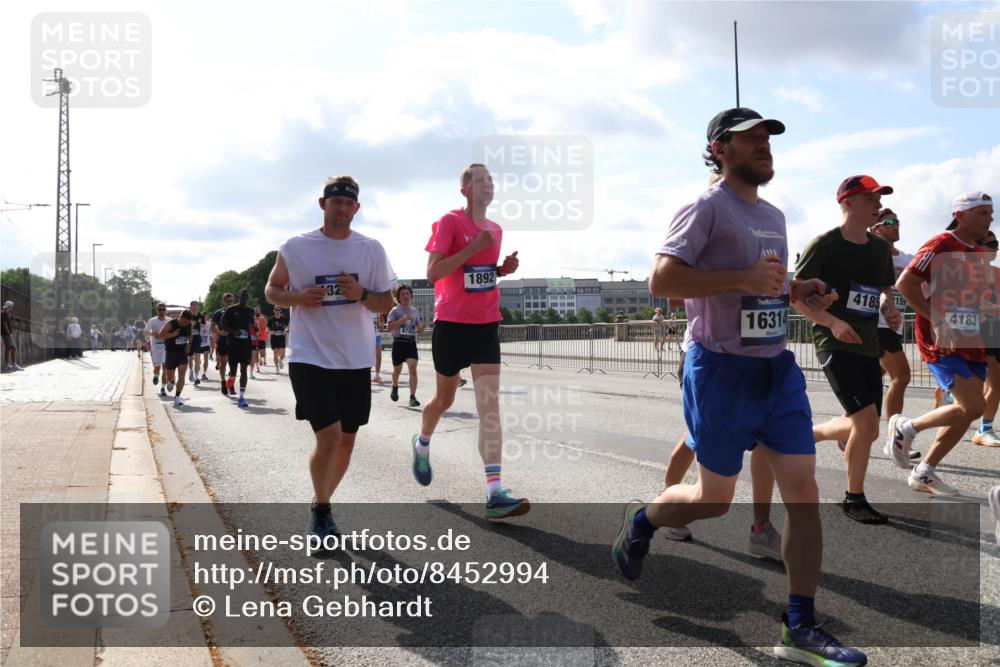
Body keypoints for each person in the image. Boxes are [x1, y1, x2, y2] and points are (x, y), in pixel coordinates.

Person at [615, 107, 866, 667]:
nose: (763, 146)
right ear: (719, 149)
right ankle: (644, 519)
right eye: (750, 138)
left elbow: (767, 285)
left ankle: (799, 623)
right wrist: (741, 279)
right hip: (721, 370)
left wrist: (802, 291)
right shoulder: (704, 207)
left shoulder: (773, 214)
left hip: (776, 370)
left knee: (804, 493)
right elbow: (661, 280)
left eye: (767, 138)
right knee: (711, 502)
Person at [264, 175, 396, 540]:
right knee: (330, 437)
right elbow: (272, 290)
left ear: (357, 207)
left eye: (348, 202)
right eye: (335, 201)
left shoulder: (371, 249)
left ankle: (320, 502)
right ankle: (322, 513)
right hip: (310, 357)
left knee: (347, 440)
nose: (342, 207)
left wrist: (362, 293)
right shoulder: (295, 247)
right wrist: (297, 298)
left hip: (354, 359)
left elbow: (386, 302)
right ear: (322, 204)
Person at [414, 163, 526, 520]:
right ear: (464, 190)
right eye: (480, 180)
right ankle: (422, 443)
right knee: (443, 400)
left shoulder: (495, 229)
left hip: (485, 324)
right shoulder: (450, 222)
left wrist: (499, 270)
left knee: (489, 409)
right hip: (450, 324)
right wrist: (474, 247)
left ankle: (494, 492)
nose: (488, 184)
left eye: (491, 180)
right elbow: (434, 273)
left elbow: (478, 274)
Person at [794, 175, 902, 524]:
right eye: (870, 198)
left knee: (867, 429)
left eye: (878, 199)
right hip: (834, 343)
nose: (877, 205)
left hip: (868, 343)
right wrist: (832, 323)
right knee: (866, 421)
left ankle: (806, 436)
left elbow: (884, 287)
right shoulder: (824, 245)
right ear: (847, 203)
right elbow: (795, 298)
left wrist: (889, 306)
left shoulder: (879, 248)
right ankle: (854, 499)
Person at [889, 191, 994, 495]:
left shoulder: (976, 251)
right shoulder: (940, 244)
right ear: (961, 215)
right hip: (942, 341)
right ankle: (906, 428)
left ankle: (925, 472)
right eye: (982, 213)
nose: (989, 218)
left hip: (971, 338)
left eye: (990, 213)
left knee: (968, 410)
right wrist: (936, 318)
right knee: (974, 405)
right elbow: (905, 284)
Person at [973, 231, 1000, 447]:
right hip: (979, 331)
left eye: (997, 243)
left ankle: (950, 395)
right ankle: (985, 429)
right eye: (992, 243)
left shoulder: (997, 273)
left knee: (991, 383)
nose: (996, 247)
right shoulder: (967, 273)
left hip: (995, 329)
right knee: (995, 383)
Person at [387, 284, 425, 406]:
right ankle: (394, 386)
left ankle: (412, 397)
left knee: (413, 368)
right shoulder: (395, 311)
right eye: (402, 294)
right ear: (399, 297)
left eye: (407, 293)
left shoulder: (414, 311)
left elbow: (418, 326)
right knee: (397, 370)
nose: (405, 296)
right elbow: (389, 327)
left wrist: (420, 328)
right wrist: (402, 320)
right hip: (398, 343)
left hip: (410, 343)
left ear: (411, 296)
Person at [223, 290, 256, 407]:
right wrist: (233, 331)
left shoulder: (250, 311)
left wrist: (254, 328)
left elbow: (252, 325)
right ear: (239, 297)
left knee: (243, 370)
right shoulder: (230, 309)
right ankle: (231, 379)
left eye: (246, 297)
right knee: (233, 371)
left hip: (245, 344)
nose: (244, 299)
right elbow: (223, 324)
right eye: (242, 296)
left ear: (248, 299)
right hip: (232, 344)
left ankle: (241, 397)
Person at [155, 309, 193, 407]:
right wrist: (172, 335)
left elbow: (190, 335)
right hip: (171, 352)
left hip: (182, 353)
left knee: (182, 373)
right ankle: (171, 381)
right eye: (184, 321)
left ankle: (177, 397)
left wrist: (189, 344)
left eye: (188, 321)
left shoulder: (189, 324)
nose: (186, 323)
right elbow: (160, 334)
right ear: (180, 317)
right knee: (170, 377)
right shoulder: (171, 324)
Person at [212, 293, 235, 394]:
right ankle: (223, 382)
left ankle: (231, 385)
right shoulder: (218, 312)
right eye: (227, 301)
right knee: (224, 363)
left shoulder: (236, 312)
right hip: (222, 341)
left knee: (233, 364)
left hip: (234, 340)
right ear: (223, 301)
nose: (229, 303)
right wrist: (219, 332)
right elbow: (212, 326)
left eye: (231, 301)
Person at [145, 304, 169, 394]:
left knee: (165, 368)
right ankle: (155, 375)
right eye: (160, 309)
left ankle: (163, 388)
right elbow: (145, 332)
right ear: (157, 310)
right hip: (155, 348)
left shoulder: (169, 321)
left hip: (166, 348)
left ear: (165, 310)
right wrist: (153, 333)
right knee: (157, 368)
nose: (162, 311)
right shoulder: (152, 321)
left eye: (163, 309)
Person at [188, 301, 206, 385]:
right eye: (193, 306)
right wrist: (190, 324)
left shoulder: (200, 315)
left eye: (196, 306)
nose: (195, 307)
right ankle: (191, 371)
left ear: (198, 307)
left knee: (198, 357)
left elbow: (203, 324)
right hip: (189, 337)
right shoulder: (187, 314)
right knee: (190, 357)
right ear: (190, 306)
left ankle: (196, 377)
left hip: (197, 337)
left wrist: (198, 323)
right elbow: (183, 323)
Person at [2, 301, 23, 371]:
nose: (12, 308)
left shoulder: (6, 314)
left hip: (6, 334)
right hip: (6, 334)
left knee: (8, 349)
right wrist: (9, 333)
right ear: (8, 306)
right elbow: (4, 325)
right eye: (11, 306)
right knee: (14, 348)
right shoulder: (4, 314)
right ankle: (13, 365)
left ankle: (7, 365)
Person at [268, 305, 290, 373]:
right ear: (274, 311)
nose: (277, 311)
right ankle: (276, 368)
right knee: (275, 353)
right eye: (276, 310)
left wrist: (285, 331)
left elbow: (288, 326)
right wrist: (270, 332)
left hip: (282, 338)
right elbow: (268, 328)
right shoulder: (271, 319)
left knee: (282, 354)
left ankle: (280, 360)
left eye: (278, 310)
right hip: (274, 338)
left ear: (280, 310)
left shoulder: (284, 318)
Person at [372, 315, 384, 385]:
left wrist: (381, 324)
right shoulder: (365, 308)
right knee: (368, 357)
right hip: (367, 336)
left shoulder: (378, 312)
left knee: (378, 357)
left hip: (377, 336)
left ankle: (377, 376)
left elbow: (382, 322)